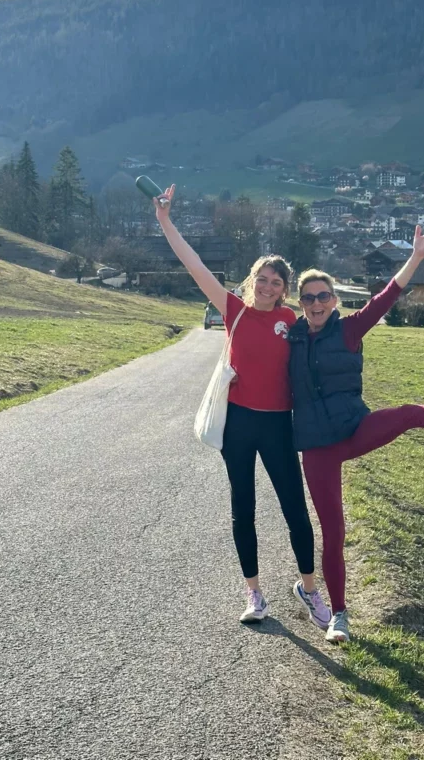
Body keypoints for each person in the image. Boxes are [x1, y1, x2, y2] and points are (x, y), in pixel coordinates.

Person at [288, 222, 424, 644]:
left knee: (406, 413)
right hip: (316, 448)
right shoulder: (292, 336)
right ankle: (338, 616)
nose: (316, 303)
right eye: (309, 297)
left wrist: (418, 254)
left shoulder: (349, 328)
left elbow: (387, 295)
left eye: (324, 296)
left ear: (334, 301)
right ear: (301, 303)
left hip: (354, 429)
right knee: (334, 532)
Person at [154, 185, 331, 628]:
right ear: (252, 280)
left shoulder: (290, 319)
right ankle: (254, 593)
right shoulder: (231, 309)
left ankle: (310, 590)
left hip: (278, 426)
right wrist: (165, 221)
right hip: (238, 424)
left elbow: (326, 341)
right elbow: (194, 265)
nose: (269, 287)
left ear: (284, 289)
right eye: (263, 279)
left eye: (277, 282)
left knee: (295, 507)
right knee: (243, 508)